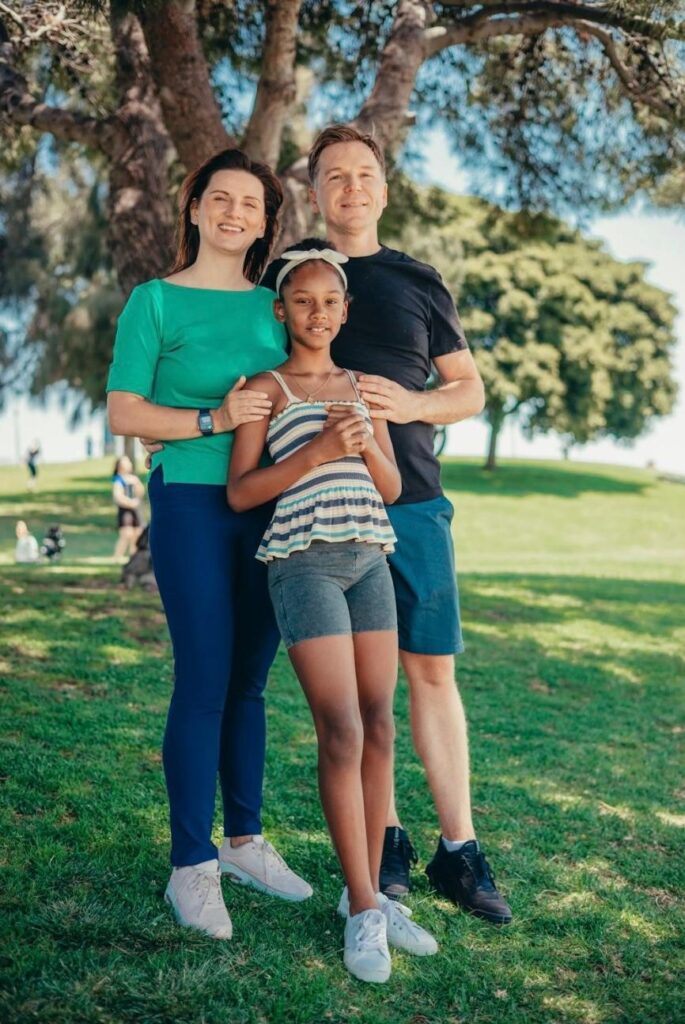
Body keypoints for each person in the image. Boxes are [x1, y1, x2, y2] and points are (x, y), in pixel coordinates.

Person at [262, 124, 512, 925]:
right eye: (334, 176)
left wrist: (410, 403)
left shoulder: (416, 281)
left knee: (430, 672)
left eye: (364, 174)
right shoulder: (289, 278)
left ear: (383, 188)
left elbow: (468, 389)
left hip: (414, 504)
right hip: (324, 518)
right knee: (366, 696)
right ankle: (387, 838)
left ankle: (459, 848)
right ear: (314, 193)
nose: (351, 187)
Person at [106, 147, 312, 942]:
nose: (233, 213)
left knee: (250, 682)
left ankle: (244, 844)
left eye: (250, 204)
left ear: (265, 224)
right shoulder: (153, 301)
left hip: (270, 506)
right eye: (219, 198)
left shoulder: (274, 309)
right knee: (203, 678)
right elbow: (125, 411)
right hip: (191, 500)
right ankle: (190, 864)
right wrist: (210, 420)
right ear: (193, 209)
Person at [228, 244, 437, 983]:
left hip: (368, 559)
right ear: (281, 310)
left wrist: (362, 441)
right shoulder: (266, 388)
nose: (317, 313)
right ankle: (362, 907)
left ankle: (370, 891)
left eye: (329, 302)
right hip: (302, 563)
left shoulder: (360, 387)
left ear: (345, 312)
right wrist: (316, 451)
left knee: (380, 723)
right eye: (302, 301)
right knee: (341, 729)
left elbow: (389, 486)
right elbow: (241, 492)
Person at [112, 455, 145, 560]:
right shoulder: (118, 480)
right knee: (126, 534)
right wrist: (130, 503)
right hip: (125, 510)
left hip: (135, 509)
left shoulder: (133, 478)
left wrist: (137, 484)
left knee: (137, 533)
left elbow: (141, 492)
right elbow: (117, 496)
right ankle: (117, 556)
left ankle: (133, 556)